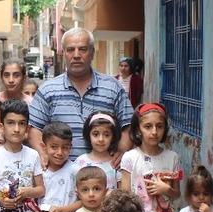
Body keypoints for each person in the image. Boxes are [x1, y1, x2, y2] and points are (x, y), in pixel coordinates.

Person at [29, 27, 134, 163]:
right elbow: (34, 128)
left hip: (102, 176)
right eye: (70, 49)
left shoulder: (112, 87)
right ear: (63, 53)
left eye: (83, 49)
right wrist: (44, 155)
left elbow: (128, 125)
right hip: (60, 174)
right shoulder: (47, 90)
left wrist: (120, 152)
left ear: (92, 53)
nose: (76, 55)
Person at [75, 111, 121, 189]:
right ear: (88, 135)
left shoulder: (116, 163)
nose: (101, 139)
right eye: (95, 134)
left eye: (106, 135)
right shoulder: (80, 162)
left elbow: (122, 193)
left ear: (113, 137)